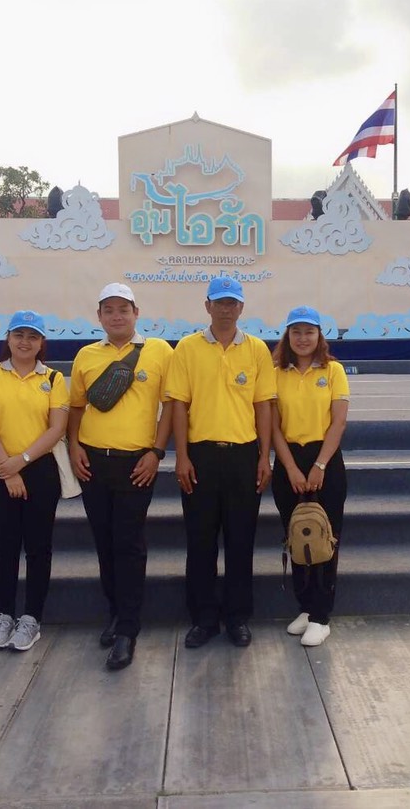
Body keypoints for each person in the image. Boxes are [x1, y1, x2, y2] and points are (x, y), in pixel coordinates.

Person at [67, 282, 174, 671]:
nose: (116, 316)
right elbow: (76, 408)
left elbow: (170, 406)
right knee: (104, 541)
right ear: (99, 316)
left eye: (123, 309)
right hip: (92, 462)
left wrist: (156, 452)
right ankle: (114, 613)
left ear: (136, 313)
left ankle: (128, 628)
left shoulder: (159, 351)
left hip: (136, 465)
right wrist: (74, 447)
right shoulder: (86, 355)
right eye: (109, 310)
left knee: (128, 543)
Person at [165, 276, 275, 649]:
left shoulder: (257, 349)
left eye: (232, 303)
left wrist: (264, 456)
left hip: (244, 456)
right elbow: (179, 405)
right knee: (200, 541)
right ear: (207, 306)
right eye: (220, 302)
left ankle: (237, 617)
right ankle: (204, 619)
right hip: (201, 456)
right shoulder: (187, 348)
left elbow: (263, 406)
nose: (226, 309)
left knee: (241, 541)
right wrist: (181, 456)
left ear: (241, 307)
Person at [0, 310, 69, 651]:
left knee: (39, 548)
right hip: (0, 471)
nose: (25, 342)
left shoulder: (54, 379)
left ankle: (31, 619)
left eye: (32, 336)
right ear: (9, 339)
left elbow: (57, 428)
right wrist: (8, 468)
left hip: (40, 472)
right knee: (5, 547)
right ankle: (4, 616)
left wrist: (22, 461)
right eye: (19, 335)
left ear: (42, 343)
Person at [269, 305, 350, 647]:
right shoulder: (275, 372)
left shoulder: (333, 370)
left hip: (325, 460)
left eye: (309, 332)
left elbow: (338, 423)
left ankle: (321, 615)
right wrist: (290, 468)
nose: (303, 338)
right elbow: (273, 427)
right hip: (289, 460)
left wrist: (319, 466)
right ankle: (305, 606)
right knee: (296, 536)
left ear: (319, 336)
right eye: (296, 332)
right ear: (287, 336)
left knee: (324, 538)